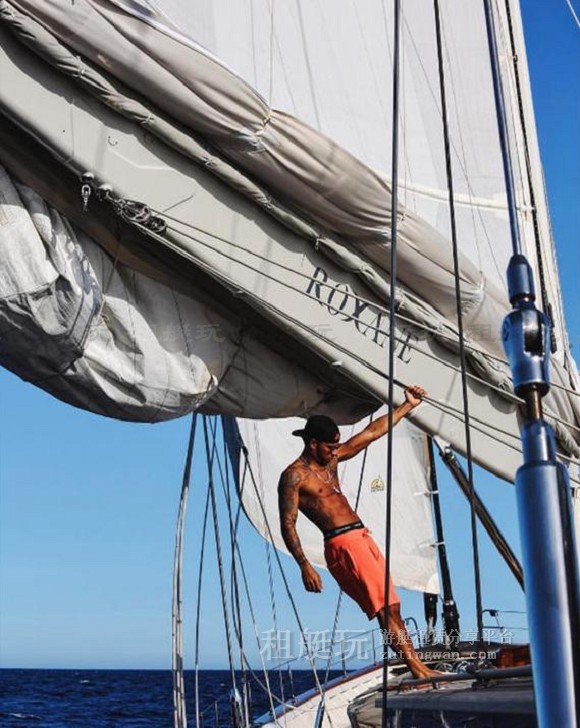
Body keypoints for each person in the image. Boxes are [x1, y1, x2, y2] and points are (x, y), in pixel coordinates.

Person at [278, 385, 438, 679]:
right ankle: (419, 672)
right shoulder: (294, 477)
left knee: (392, 608)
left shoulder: (331, 461)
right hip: (344, 545)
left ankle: (419, 669)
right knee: (385, 609)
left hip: (362, 538)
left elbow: (371, 433)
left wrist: (407, 406)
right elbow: (288, 522)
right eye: (329, 447)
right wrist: (304, 565)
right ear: (313, 444)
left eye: (336, 446)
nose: (334, 451)